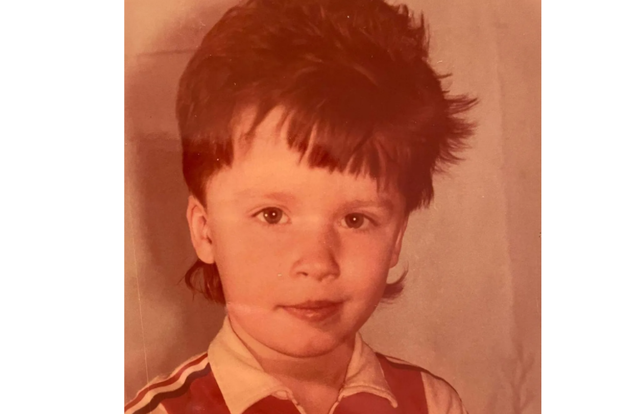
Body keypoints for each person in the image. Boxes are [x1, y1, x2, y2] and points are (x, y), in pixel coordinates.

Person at [125, 0, 476, 412]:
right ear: (205, 231)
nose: (317, 262)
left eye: (355, 219)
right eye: (272, 215)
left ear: (397, 238)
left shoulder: (433, 404)